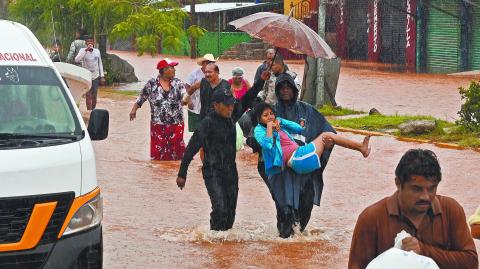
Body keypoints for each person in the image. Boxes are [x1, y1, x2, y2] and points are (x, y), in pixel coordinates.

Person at [348, 149, 478, 269]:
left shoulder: (451, 210)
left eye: (432, 188)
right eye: (417, 189)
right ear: (398, 183)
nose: (425, 196)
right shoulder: (371, 218)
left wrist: (423, 250)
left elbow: (471, 263)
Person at [176, 71, 270, 231]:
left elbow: (248, 98)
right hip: (212, 171)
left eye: (232, 104)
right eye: (227, 104)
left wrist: (261, 80)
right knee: (219, 208)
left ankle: (225, 245)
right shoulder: (207, 123)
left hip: (230, 171)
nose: (231, 107)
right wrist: (182, 174)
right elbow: (191, 149)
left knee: (230, 212)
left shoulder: (231, 116)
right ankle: (214, 239)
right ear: (216, 105)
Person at [254, 72, 336, 238]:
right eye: (281, 87)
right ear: (276, 90)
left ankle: (297, 241)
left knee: (305, 208)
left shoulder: (308, 111)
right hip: (281, 173)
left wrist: (326, 146)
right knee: (284, 210)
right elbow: (257, 138)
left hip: (304, 169)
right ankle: (284, 242)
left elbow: (328, 132)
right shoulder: (270, 112)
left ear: (294, 89)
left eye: (288, 87)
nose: (285, 90)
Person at [253, 102, 370, 176]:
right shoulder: (259, 130)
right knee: (327, 135)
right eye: (266, 115)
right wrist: (269, 127)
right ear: (259, 119)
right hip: (297, 158)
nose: (270, 117)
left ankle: (360, 148)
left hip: (300, 155)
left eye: (271, 113)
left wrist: (281, 121)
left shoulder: (277, 123)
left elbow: (298, 128)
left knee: (328, 138)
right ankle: (361, 147)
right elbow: (267, 145)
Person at [129, 58, 188, 161]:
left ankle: (174, 173)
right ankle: (158, 174)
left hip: (176, 124)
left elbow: (184, 94)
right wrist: (134, 110)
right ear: (164, 70)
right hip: (158, 124)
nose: (174, 70)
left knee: (177, 154)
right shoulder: (151, 84)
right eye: (172, 67)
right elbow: (141, 98)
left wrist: (187, 100)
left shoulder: (177, 83)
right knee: (158, 156)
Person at [185, 53, 217, 132]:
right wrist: (189, 101)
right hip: (195, 106)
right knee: (196, 131)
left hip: (208, 107)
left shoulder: (214, 74)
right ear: (203, 63)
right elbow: (187, 86)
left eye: (212, 63)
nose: (210, 64)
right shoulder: (194, 74)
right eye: (209, 62)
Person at [75, 36, 105, 110]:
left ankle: (93, 110)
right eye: (88, 42)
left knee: (94, 95)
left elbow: (100, 64)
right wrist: (86, 50)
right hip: (87, 76)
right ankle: (89, 112)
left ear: (93, 42)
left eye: (91, 41)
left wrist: (102, 76)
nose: (90, 43)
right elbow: (76, 60)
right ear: (86, 43)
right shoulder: (82, 50)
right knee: (88, 95)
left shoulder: (97, 51)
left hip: (96, 76)